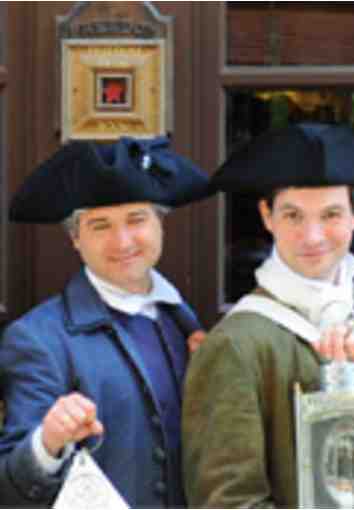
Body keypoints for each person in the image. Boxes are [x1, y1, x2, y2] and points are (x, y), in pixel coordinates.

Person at [182, 123, 354, 508]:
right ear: (267, 216)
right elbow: (227, 501)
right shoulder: (234, 343)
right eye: (293, 216)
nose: (313, 236)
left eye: (331, 214)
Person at [0, 136, 211, 507]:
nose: (123, 241)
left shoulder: (184, 322)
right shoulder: (37, 339)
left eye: (136, 219)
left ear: (160, 224)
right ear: (75, 238)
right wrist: (47, 443)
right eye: (100, 226)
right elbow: (10, 491)